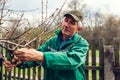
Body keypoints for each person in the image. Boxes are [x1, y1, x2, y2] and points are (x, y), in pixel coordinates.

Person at [4, 9, 89, 80]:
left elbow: (72, 60)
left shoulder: (81, 44)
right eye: (66, 20)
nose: (66, 25)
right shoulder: (52, 41)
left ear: (79, 29)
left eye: (72, 23)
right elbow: (35, 58)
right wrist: (18, 62)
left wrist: (42, 56)